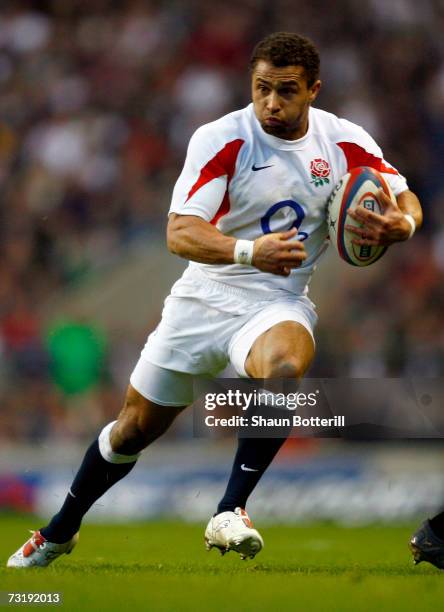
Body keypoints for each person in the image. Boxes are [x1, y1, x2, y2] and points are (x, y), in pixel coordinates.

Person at [8, 31, 426, 568]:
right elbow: (180, 232)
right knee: (133, 430)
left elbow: (401, 192)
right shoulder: (223, 138)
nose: (271, 103)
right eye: (261, 89)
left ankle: (231, 509)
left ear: (314, 90)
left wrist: (406, 224)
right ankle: (60, 530)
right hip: (204, 295)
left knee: (284, 366)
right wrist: (251, 250)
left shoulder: (344, 141)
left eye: (287, 91)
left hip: (278, 298)